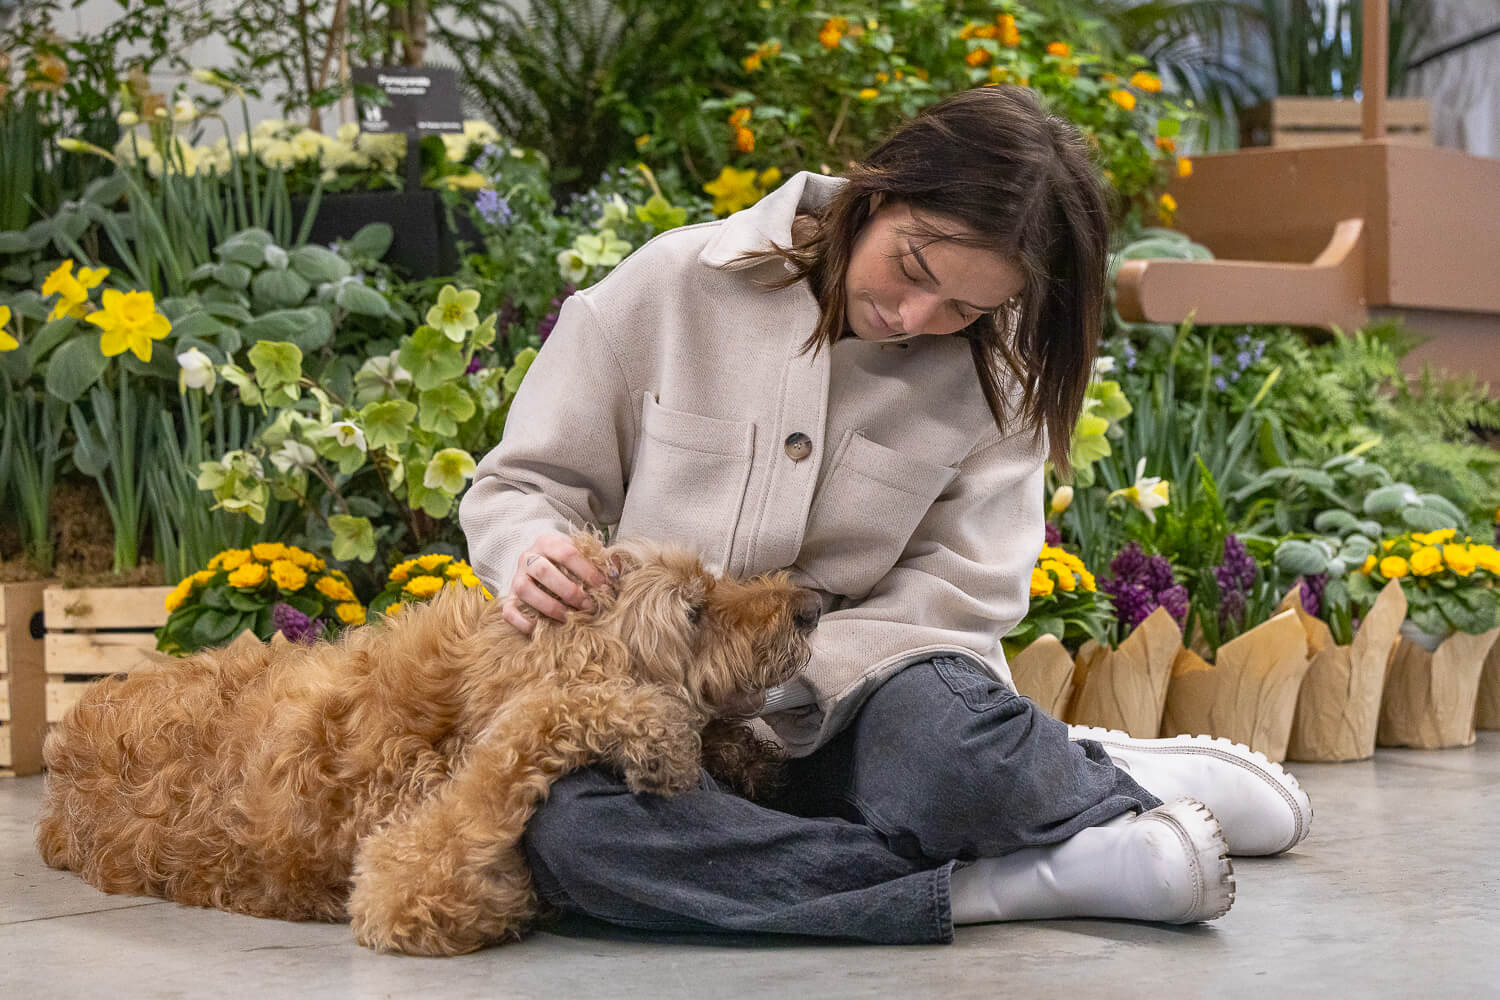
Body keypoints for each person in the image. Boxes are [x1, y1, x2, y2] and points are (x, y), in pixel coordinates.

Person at [459, 85, 1310, 944]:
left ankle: (1048, 779)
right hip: (661, 715)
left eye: (964, 310)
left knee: (958, 766)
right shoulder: (671, 287)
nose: (914, 318)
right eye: (912, 269)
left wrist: (776, 686)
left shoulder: (998, 381)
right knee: (574, 833)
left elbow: (958, 599)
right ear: (879, 189)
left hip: (869, 700)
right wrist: (532, 549)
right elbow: (523, 484)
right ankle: (999, 878)